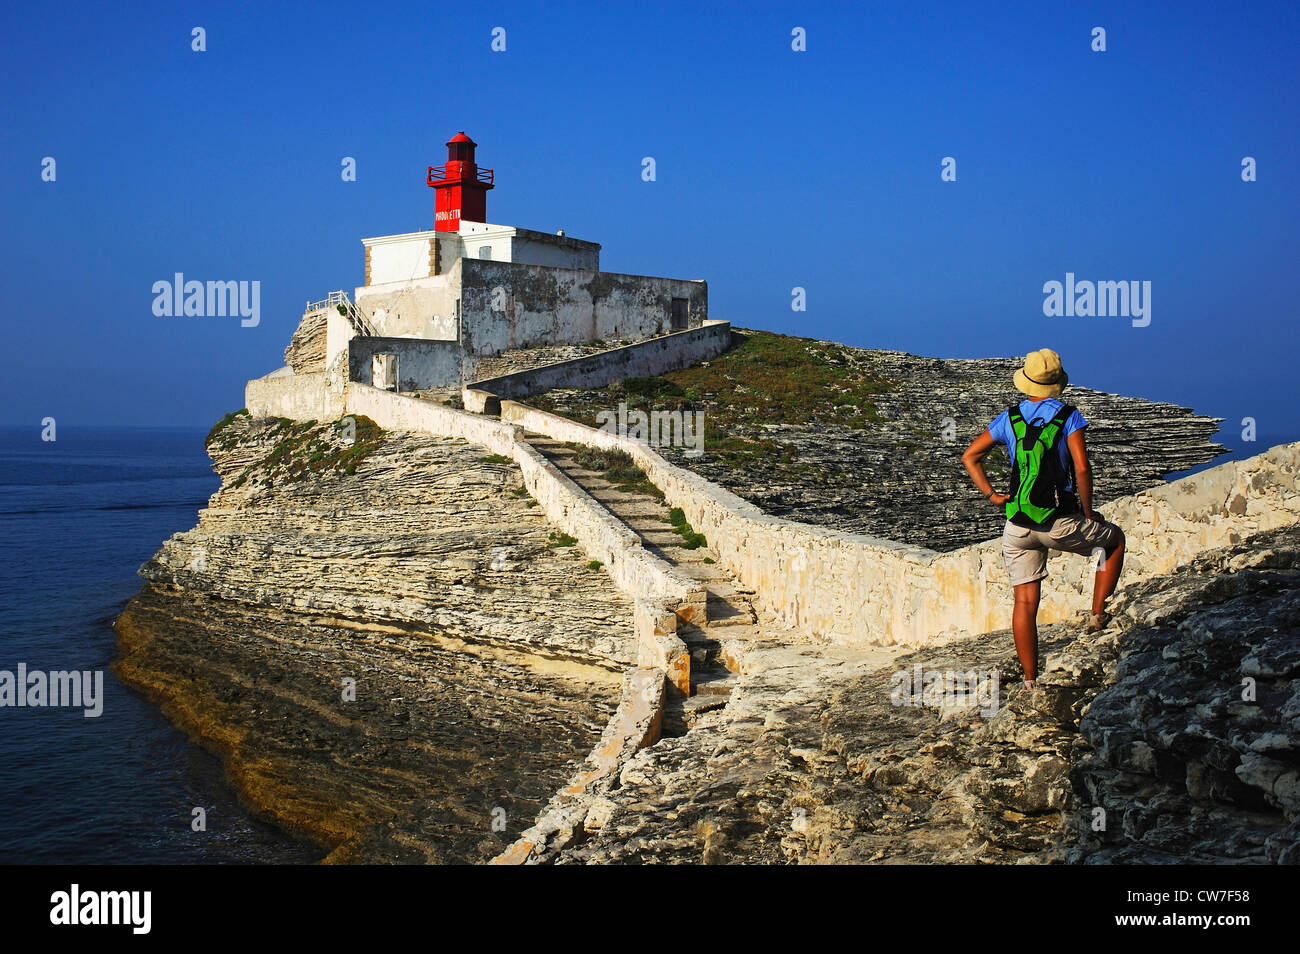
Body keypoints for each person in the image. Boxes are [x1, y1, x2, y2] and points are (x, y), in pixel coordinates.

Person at [961, 348, 1125, 690]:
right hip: (1058, 523)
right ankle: (1097, 614)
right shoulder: (1068, 417)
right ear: (1057, 383)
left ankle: (1031, 680)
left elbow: (970, 456)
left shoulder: (1010, 418)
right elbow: (1081, 467)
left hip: (1017, 525)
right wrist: (1089, 509)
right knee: (1113, 541)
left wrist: (992, 496)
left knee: (1024, 602)